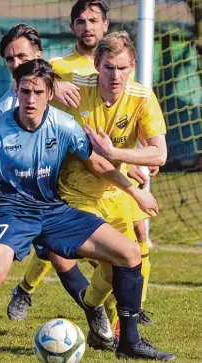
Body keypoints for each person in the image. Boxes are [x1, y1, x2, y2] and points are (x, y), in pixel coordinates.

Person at [0, 59, 175, 362]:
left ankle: (130, 342)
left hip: (54, 210)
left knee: (130, 252)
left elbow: (96, 162)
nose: (30, 99)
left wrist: (133, 190)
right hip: (12, 211)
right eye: (25, 91)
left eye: (38, 92)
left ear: (50, 93)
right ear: (16, 90)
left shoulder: (63, 124)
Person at [8, 0, 156, 330]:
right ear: (73, 27)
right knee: (55, 249)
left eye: (93, 20)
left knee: (134, 244)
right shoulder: (60, 66)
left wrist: (136, 157)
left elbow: (131, 123)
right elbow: (24, 82)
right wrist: (53, 83)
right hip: (69, 172)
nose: (87, 26)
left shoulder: (122, 73)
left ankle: (123, 321)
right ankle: (26, 289)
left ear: (105, 26)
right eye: (80, 21)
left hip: (112, 175)